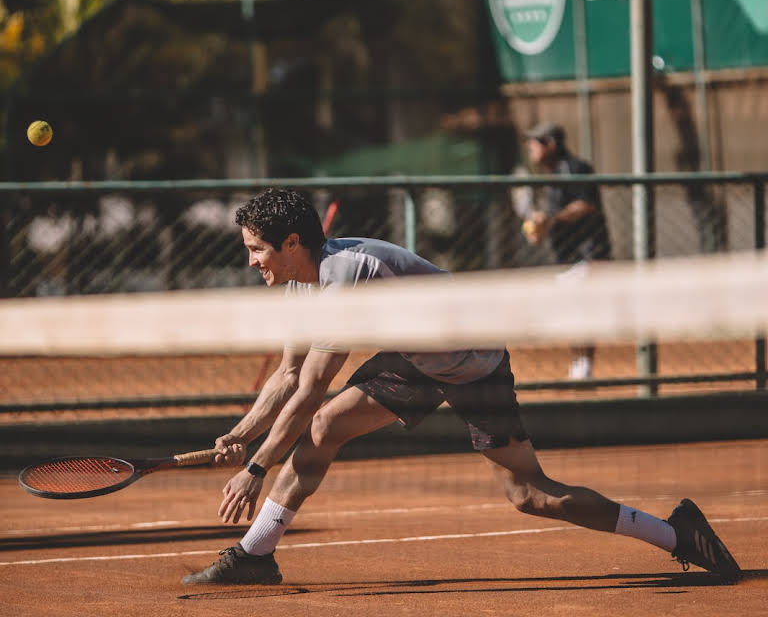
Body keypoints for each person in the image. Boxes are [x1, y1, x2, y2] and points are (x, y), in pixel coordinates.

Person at [182, 188, 741, 586]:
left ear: (292, 241)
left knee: (529, 494)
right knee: (327, 426)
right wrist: (239, 434)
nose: (251, 260)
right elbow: (285, 377)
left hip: (473, 361)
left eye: (256, 248)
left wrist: (255, 468)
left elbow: (308, 390)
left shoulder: (342, 279)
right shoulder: (300, 290)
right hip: (416, 358)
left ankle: (676, 535)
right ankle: (257, 554)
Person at [521, 122, 612, 381]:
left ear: (551, 145)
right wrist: (539, 229)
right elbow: (553, 218)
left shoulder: (575, 168)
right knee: (572, 312)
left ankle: (584, 367)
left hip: (588, 254)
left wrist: (550, 220)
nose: (530, 147)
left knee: (579, 311)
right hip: (567, 258)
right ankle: (580, 365)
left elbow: (585, 205)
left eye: (535, 142)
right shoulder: (553, 178)